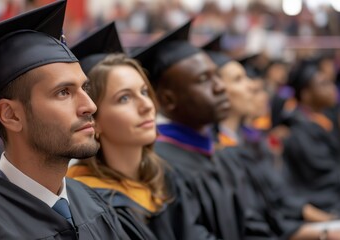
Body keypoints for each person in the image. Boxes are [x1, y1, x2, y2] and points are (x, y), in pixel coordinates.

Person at [0, 2, 129, 239]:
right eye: (63, 92)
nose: (90, 106)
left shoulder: (92, 202)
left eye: (85, 88)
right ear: (11, 115)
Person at [67, 22, 214, 240]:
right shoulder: (87, 203)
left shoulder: (164, 178)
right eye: (124, 98)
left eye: (144, 91)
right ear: (93, 121)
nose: (146, 105)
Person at [132, 20, 253, 240]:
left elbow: (251, 224)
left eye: (216, 75)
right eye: (204, 79)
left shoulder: (221, 155)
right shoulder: (160, 166)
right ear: (168, 100)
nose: (220, 87)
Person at [209, 52, 340, 240]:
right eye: (239, 80)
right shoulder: (217, 153)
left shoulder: (250, 143)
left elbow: (276, 201)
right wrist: (324, 230)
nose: (252, 88)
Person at [283, 58, 340, 216]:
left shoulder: (327, 121)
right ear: (306, 95)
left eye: (330, 82)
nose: (332, 88)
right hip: (324, 205)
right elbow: (325, 179)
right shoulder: (300, 134)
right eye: (323, 84)